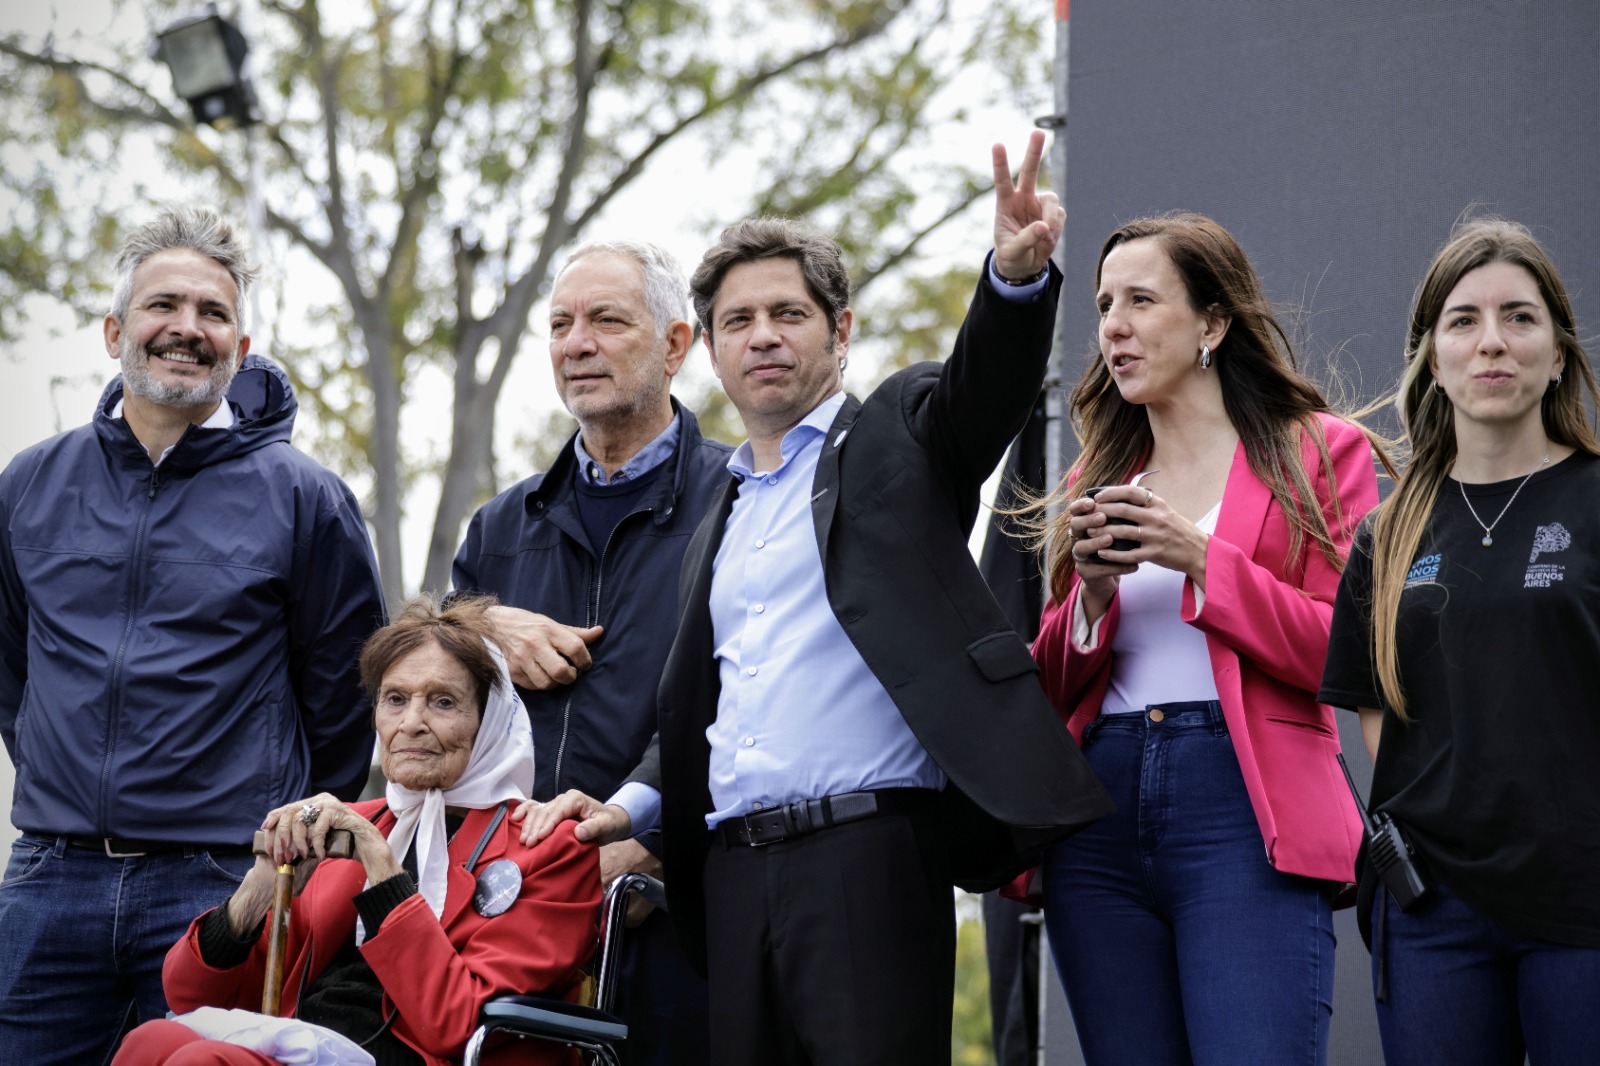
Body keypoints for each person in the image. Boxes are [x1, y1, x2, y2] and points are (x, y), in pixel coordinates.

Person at [520, 130, 1112, 1065]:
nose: (763, 336)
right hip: (728, 877)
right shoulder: (720, 504)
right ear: (708, 349)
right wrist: (631, 805)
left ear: (839, 332)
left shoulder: (900, 436)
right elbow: (721, 702)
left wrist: (1012, 280)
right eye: (739, 320)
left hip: (867, 861)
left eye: (789, 314)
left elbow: (982, 390)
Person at [0, 206, 386, 1064]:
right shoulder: (29, 483)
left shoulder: (304, 498)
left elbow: (344, 696)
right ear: (115, 332)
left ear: (241, 349)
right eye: (162, 306)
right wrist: (65, 779)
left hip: (219, 884)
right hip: (48, 880)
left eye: (214, 313)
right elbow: (12, 667)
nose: (187, 328)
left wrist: (273, 849)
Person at [1026, 213, 1385, 1065]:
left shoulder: (1319, 454)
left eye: (1142, 300)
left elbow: (1351, 649)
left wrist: (1199, 557)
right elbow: (1045, 688)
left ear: (1212, 324)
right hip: (1099, 810)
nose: (1114, 324)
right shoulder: (1095, 478)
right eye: (1106, 304)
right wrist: (1091, 599)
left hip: (1243, 803)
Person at [1320, 218, 1600, 1064]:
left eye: (1520, 317)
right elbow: (1379, 720)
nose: (1493, 343)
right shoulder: (1386, 533)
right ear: (1433, 359)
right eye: (1464, 321)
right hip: (1433, 914)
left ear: (1557, 354)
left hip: (1583, 904)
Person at [112, 594, 601, 1066]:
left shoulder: (548, 847)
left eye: (443, 702)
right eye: (395, 699)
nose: (411, 722)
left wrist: (379, 860)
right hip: (308, 1044)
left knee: (201, 1060)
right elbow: (188, 993)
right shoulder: (348, 825)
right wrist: (261, 885)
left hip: (419, 1054)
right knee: (150, 1040)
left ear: (489, 721)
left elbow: (455, 1024)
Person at [453, 240, 724, 1062]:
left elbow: (756, 702)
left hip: (678, 912)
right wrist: (474, 624)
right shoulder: (499, 528)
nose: (578, 344)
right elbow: (431, 699)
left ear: (677, 345)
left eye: (608, 321)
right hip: (510, 914)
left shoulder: (744, 502)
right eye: (561, 324)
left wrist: (655, 842)